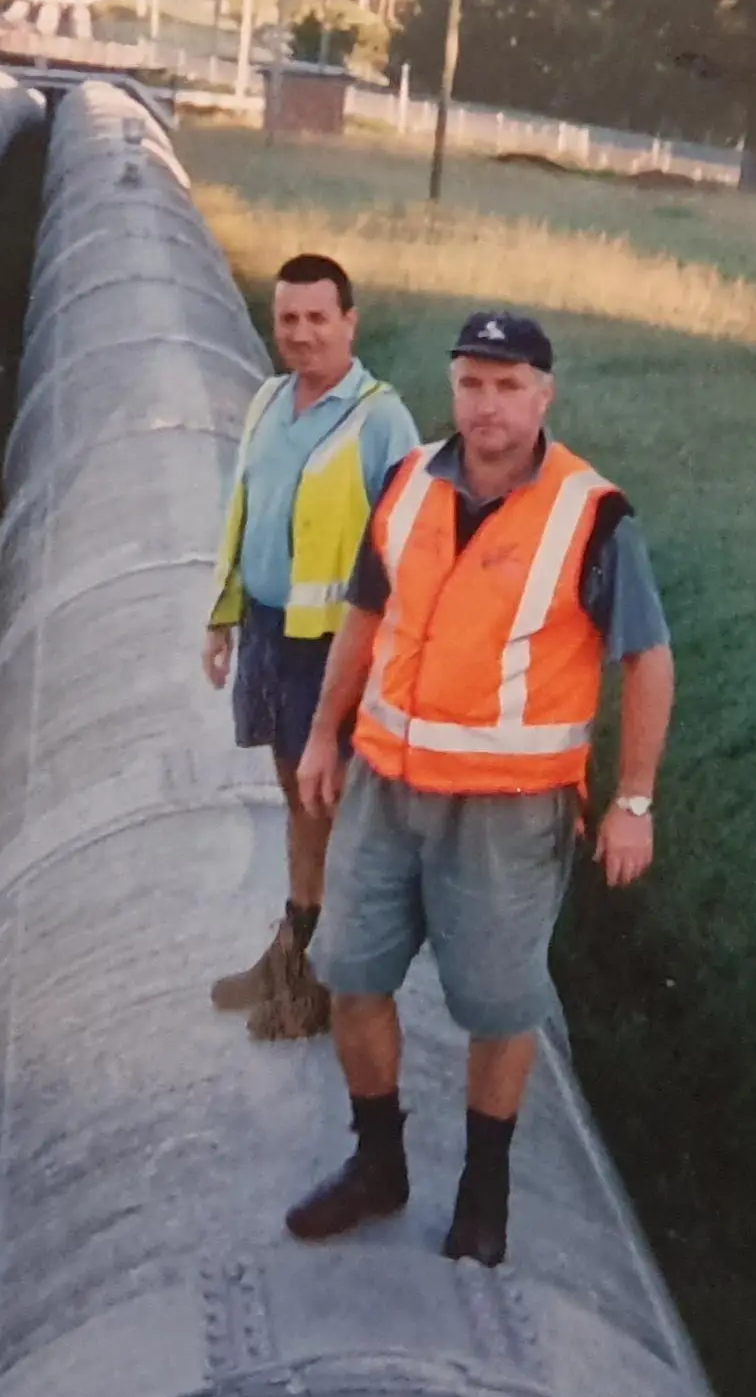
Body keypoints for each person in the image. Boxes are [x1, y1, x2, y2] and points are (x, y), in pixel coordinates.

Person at [287, 310, 673, 1267]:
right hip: (385, 789)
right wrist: (323, 735)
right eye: (471, 383)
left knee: (501, 1007)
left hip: (508, 813)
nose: (487, 404)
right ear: (451, 387)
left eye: (508, 386)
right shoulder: (410, 481)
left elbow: (649, 659)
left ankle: (484, 1192)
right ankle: (379, 1166)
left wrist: (633, 801)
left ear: (544, 395)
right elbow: (366, 616)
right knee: (349, 973)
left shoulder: (592, 515)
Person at [202, 252, 423, 1040]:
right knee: (296, 798)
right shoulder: (267, 399)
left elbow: (409, 551)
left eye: (316, 319)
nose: (300, 334)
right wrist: (222, 615)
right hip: (267, 632)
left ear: (348, 323)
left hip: (331, 650)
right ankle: (292, 953)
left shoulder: (380, 420)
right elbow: (246, 512)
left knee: (326, 809)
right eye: (287, 318)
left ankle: (323, 983)